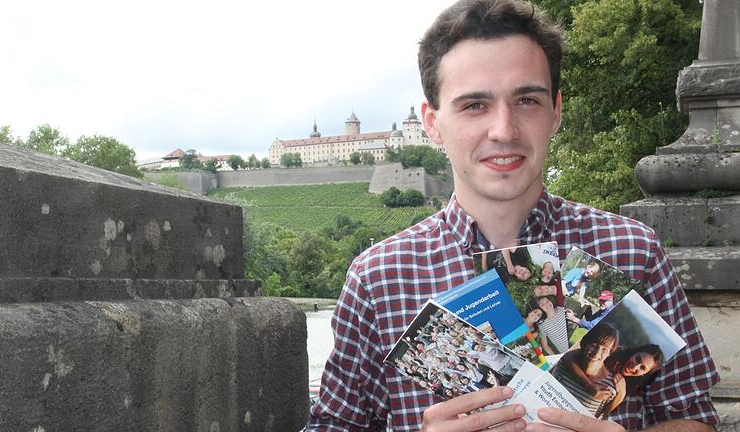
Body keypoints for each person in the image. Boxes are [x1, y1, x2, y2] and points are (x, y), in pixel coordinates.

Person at [306, 0, 719, 430]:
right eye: (474, 105)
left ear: (555, 110)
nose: (504, 130)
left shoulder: (635, 250)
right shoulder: (377, 278)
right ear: (431, 123)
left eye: (526, 100)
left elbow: (694, 417)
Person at [551, 323, 620, 418]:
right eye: (594, 345)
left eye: (605, 349)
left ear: (609, 353)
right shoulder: (564, 366)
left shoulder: (610, 386)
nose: (597, 353)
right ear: (585, 344)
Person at [601, 345, 664, 416]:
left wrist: (621, 394)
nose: (634, 367)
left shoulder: (635, 395)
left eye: (642, 368)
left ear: (645, 374)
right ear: (634, 352)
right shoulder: (612, 352)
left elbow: (604, 415)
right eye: (637, 359)